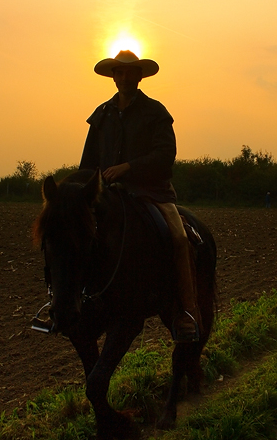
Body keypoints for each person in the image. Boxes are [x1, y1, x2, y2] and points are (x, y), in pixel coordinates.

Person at [79, 50, 201, 342]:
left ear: (139, 75)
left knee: (179, 238)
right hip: (107, 194)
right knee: (74, 233)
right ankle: (70, 303)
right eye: (118, 73)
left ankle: (187, 312)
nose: (123, 78)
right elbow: (87, 163)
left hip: (152, 192)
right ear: (113, 76)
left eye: (129, 72)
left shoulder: (155, 112)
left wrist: (127, 168)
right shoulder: (102, 114)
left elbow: (165, 155)